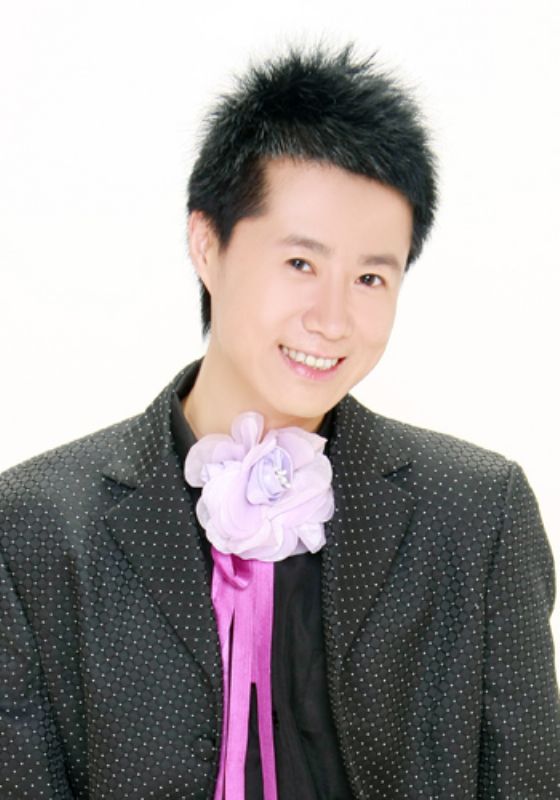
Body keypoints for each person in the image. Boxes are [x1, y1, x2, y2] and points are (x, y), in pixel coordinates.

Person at [1, 42, 559, 800]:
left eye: (370, 277)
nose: (332, 319)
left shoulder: (477, 513)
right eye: (300, 264)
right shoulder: (34, 527)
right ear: (207, 244)